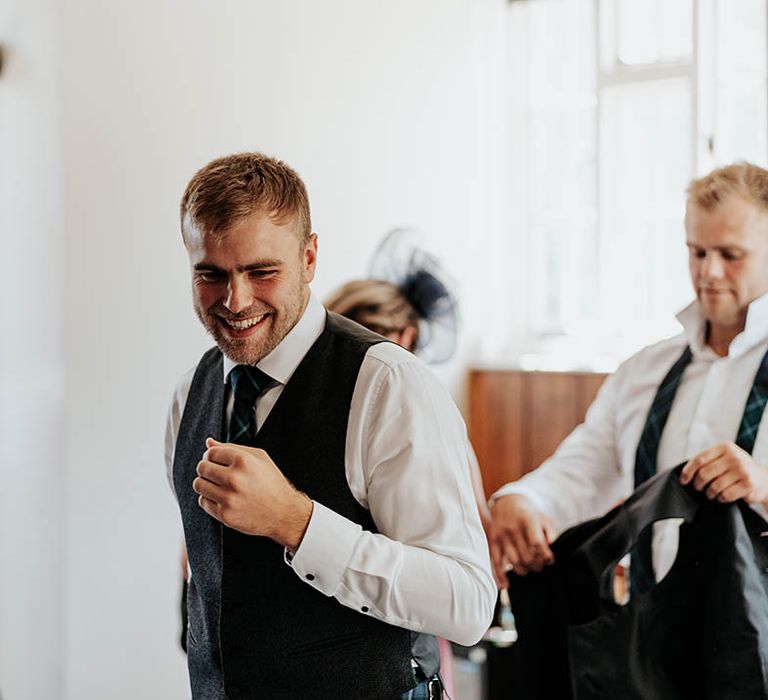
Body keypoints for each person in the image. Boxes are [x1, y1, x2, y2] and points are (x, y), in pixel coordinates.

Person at [165, 152, 495, 699]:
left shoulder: (389, 386)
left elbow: (466, 604)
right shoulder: (188, 395)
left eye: (261, 271)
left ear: (310, 256)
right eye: (211, 274)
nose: (235, 300)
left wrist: (298, 523)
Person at [491, 162, 768, 590]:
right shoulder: (644, 371)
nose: (709, 272)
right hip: (646, 640)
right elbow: (586, 468)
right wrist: (522, 498)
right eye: (697, 252)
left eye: (730, 255)